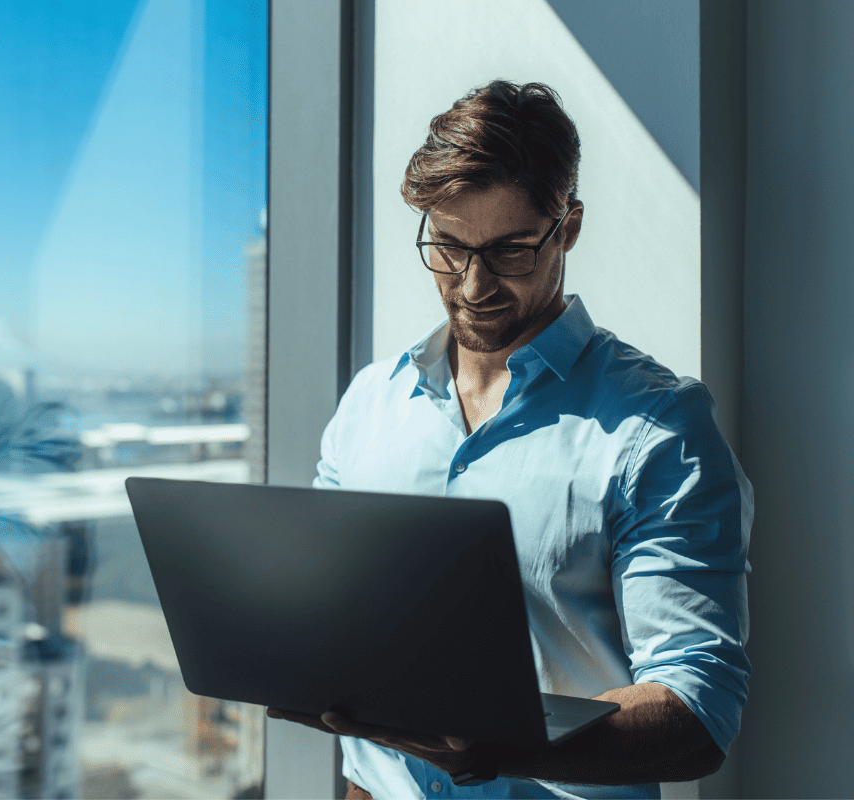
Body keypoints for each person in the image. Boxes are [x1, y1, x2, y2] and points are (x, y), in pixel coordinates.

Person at [266, 80, 753, 800]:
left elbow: (698, 707)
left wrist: (499, 744)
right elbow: (335, 620)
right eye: (448, 246)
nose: (471, 285)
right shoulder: (371, 403)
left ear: (570, 226)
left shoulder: (657, 429)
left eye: (509, 251)